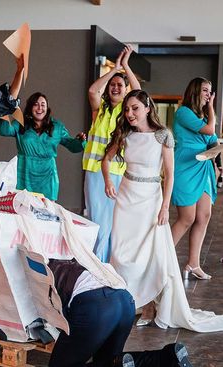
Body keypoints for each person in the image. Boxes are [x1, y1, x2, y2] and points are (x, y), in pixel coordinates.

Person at [102, 90, 223, 332]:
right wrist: (108, 180)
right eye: (127, 109)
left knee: (148, 254)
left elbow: (170, 175)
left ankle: (149, 305)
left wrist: (164, 207)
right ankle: (125, 302)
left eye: (135, 108)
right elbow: (106, 159)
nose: (129, 113)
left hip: (151, 198)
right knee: (120, 252)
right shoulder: (125, 134)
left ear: (148, 108)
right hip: (126, 198)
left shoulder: (163, 136)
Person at [46, 257, 198, 367]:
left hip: (97, 308)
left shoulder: (38, 267)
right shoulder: (77, 256)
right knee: (110, 362)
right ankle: (166, 358)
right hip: (124, 300)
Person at [82, 45, 141, 262]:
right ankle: (99, 263)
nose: (115, 88)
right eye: (113, 85)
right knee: (97, 221)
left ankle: (103, 264)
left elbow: (139, 94)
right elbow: (92, 91)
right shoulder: (100, 109)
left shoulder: (127, 112)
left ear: (126, 90)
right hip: (94, 171)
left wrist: (125, 66)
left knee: (112, 222)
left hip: (116, 172)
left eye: (120, 85)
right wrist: (114, 70)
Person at [171, 77, 220, 281]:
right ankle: (160, 257)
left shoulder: (201, 116)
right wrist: (212, 109)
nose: (209, 95)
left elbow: (213, 139)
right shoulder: (183, 112)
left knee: (204, 215)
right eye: (205, 91)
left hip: (203, 166)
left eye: (210, 91)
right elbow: (210, 130)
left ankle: (193, 263)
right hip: (185, 165)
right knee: (187, 218)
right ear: (195, 91)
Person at [0, 92, 86, 201]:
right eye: (36, 104)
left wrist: (80, 141)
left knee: (46, 214)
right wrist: (4, 109)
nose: (40, 108)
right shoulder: (20, 124)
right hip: (24, 174)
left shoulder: (57, 126)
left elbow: (72, 146)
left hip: (48, 178)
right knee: (23, 211)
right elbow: (3, 130)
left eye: (43, 105)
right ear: (30, 107)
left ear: (47, 108)